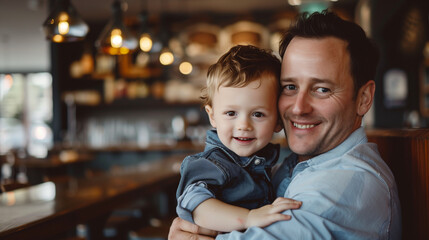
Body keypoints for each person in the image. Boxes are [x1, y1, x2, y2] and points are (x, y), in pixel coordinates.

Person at [169, 10, 402, 240]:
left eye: (322, 89)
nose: (298, 108)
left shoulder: (344, 186)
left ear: (363, 98)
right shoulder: (292, 165)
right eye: (290, 87)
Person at [176, 45, 302, 233]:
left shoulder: (263, 162)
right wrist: (248, 218)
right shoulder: (212, 164)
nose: (244, 125)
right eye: (231, 113)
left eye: (258, 114)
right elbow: (197, 207)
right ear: (212, 116)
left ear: (278, 121)